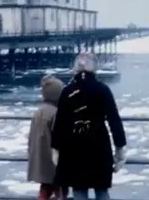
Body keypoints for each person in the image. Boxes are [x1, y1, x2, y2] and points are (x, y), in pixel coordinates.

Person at [51, 53, 127, 200]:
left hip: (74, 150)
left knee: (79, 190)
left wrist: (56, 148)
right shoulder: (103, 90)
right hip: (99, 147)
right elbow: (114, 120)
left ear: (75, 69)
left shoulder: (67, 92)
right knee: (101, 190)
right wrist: (120, 147)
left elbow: (60, 123)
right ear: (95, 68)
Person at [27, 75, 68, 200]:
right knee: (60, 190)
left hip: (39, 157)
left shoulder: (38, 112)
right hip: (53, 160)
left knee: (44, 189)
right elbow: (62, 137)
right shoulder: (56, 113)